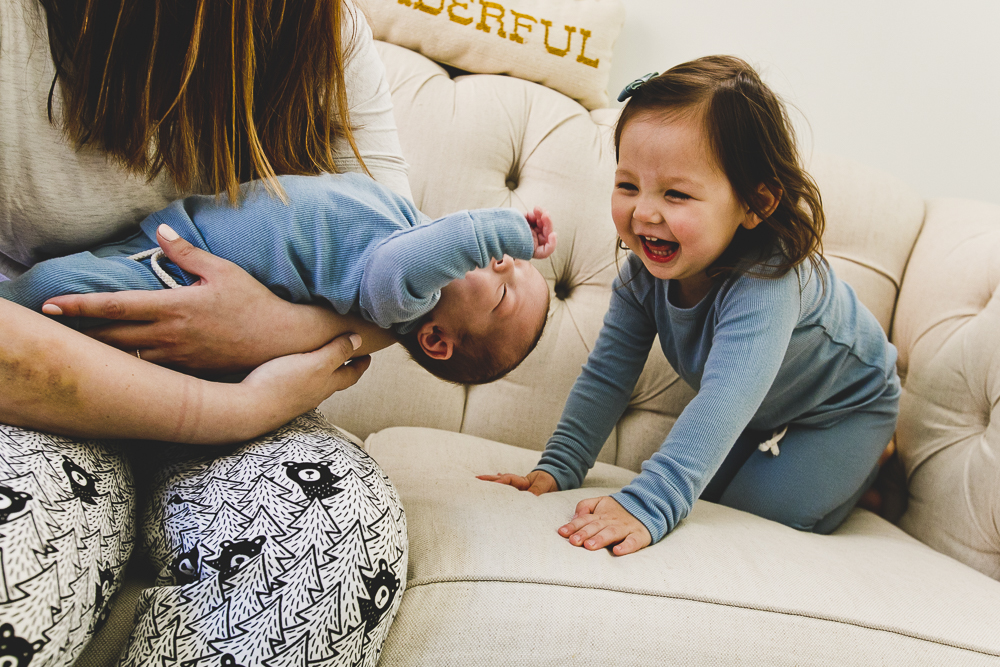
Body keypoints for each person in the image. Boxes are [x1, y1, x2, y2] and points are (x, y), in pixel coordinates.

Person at [0, 0, 414, 664]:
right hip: (35, 393)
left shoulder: (324, 31)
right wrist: (225, 408)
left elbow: (403, 279)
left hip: (251, 409)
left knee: (332, 531)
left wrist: (261, 328)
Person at [480, 56, 901, 557]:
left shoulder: (768, 280)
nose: (644, 212)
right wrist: (557, 467)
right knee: (711, 497)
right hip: (762, 411)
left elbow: (723, 400)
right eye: (628, 185)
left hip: (843, 409)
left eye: (676, 194)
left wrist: (649, 506)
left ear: (755, 204)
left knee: (751, 516)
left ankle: (874, 461)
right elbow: (607, 375)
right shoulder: (643, 274)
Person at [1, 173, 555, 385]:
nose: (506, 263)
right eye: (514, 262)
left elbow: (407, 262)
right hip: (172, 235)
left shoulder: (402, 298)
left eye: (504, 294)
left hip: (172, 279)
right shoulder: (408, 222)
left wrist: (500, 232)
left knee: (56, 286)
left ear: (436, 339)